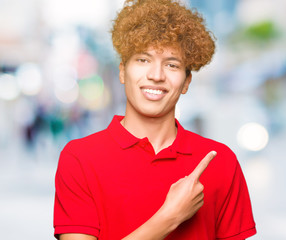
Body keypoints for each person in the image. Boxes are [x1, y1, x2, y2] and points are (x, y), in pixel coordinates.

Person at [53, 0, 256, 239]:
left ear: (186, 82)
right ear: (122, 71)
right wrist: (170, 216)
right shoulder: (79, 158)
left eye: (171, 64)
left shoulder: (221, 163)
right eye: (143, 60)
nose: (156, 75)